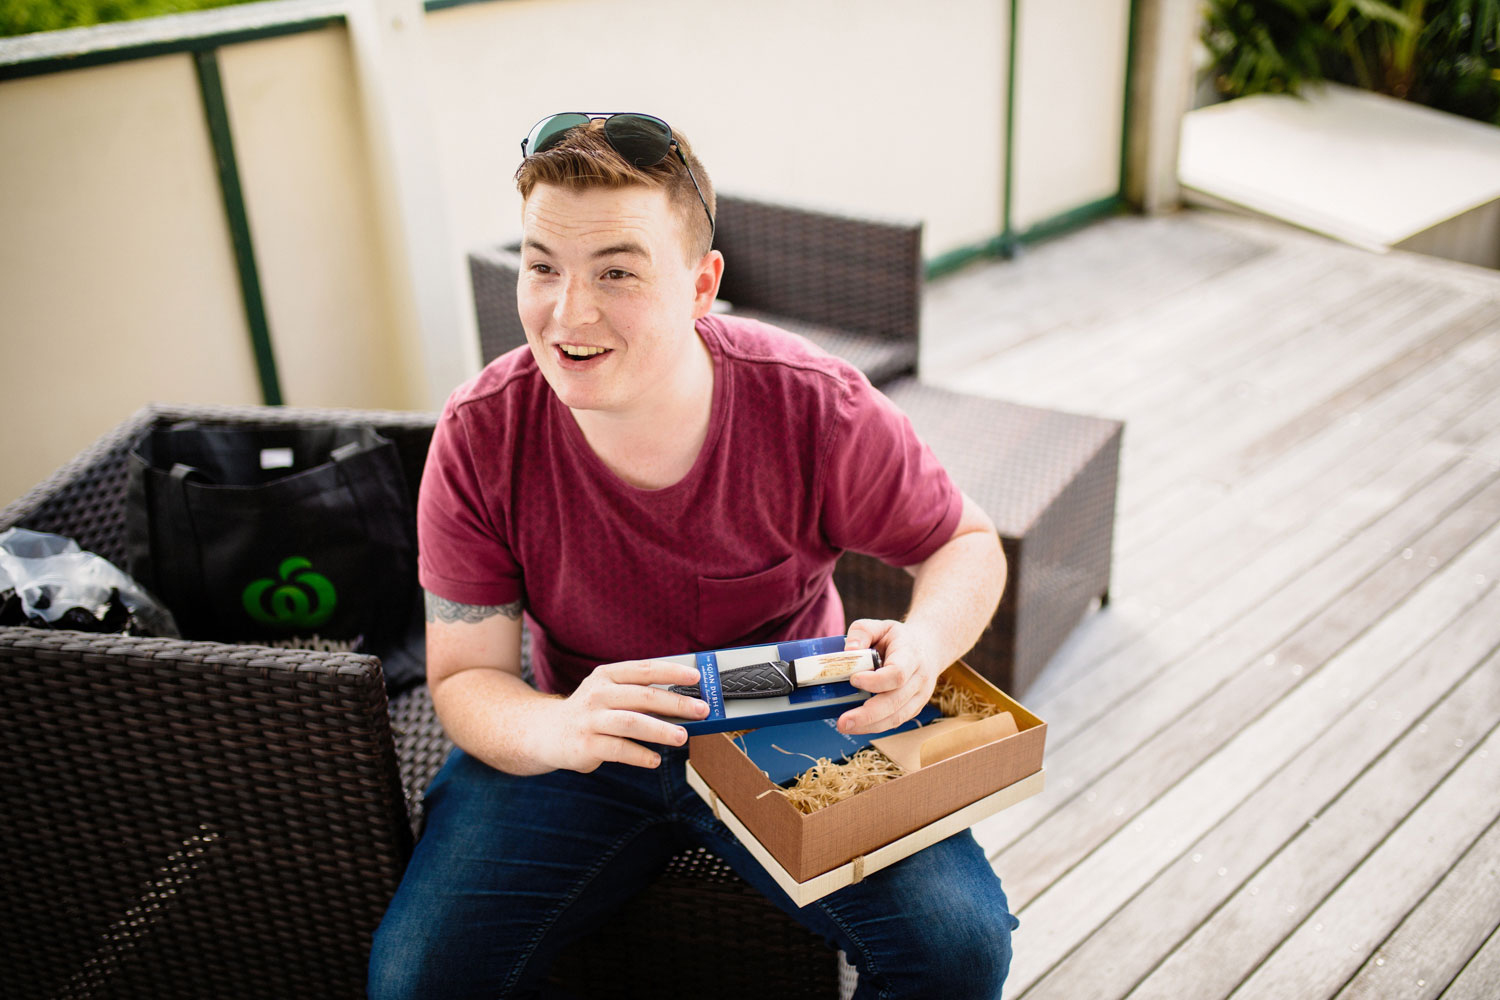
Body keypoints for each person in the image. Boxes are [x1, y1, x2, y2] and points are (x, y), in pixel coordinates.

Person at [368, 112, 1017, 999]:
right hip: (586, 722)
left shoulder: (812, 405)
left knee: (958, 946)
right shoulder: (481, 432)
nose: (568, 312)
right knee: (415, 982)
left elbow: (963, 542)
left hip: (789, 711)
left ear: (702, 284)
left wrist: (925, 646)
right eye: (543, 267)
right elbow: (464, 677)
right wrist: (558, 728)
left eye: (618, 273)